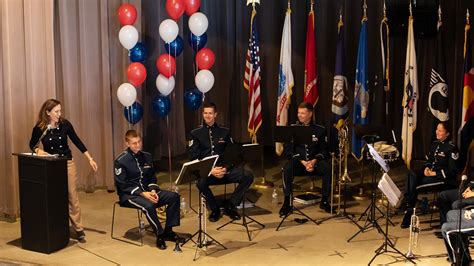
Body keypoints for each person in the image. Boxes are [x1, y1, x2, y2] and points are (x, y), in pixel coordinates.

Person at [29, 99, 98, 243]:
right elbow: (32, 145)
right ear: (48, 113)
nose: (59, 114)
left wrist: (89, 158)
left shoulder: (65, 124)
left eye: (60, 111)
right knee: (54, 196)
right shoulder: (40, 128)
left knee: (72, 196)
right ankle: (57, 226)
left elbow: (77, 141)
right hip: (50, 164)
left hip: (66, 163)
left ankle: (78, 229)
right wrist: (40, 152)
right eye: (56, 111)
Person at [114, 130, 181, 250]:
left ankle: (168, 231)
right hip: (130, 195)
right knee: (149, 205)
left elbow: (152, 177)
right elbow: (122, 185)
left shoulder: (147, 156)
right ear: (127, 144)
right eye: (134, 143)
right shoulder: (121, 161)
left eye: (139, 142)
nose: (138, 145)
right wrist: (142, 193)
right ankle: (159, 235)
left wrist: (153, 190)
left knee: (174, 197)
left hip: (148, 191)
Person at [187, 102, 254, 222]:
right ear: (203, 114)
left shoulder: (225, 132)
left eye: (210, 113)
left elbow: (232, 155)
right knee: (200, 183)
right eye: (205, 113)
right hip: (208, 173)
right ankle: (215, 209)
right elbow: (194, 157)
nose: (208, 116)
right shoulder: (195, 133)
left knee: (248, 176)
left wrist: (226, 168)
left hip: (224, 170)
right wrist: (210, 170)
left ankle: (231, 205)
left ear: (215, 115)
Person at [401, 121, 460, 228]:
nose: (437, 132)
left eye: (440, 131)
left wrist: (434, 173)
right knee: (412, 174)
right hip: (430, 173)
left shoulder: (452, 148)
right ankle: (408, 202)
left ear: (447, 133)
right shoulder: (434, 144)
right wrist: (426, 168)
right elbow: (429, 161)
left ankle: (408, 208)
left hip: (442, 178)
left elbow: (453, 171)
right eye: (437, 129)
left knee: (416, 186)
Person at [279, 102, 332, 216]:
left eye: (303, 113)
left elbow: (324, 150)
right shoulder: (293, 129)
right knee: (287, 169)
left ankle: (324, 200)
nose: (299, 115)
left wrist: (314, 161)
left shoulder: (320, 130)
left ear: (310, 114)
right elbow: (288, 149)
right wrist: (303, 161)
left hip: (315, 163)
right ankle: (287, 201)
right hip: (299, 163)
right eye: (298, 113)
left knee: (327, 168)